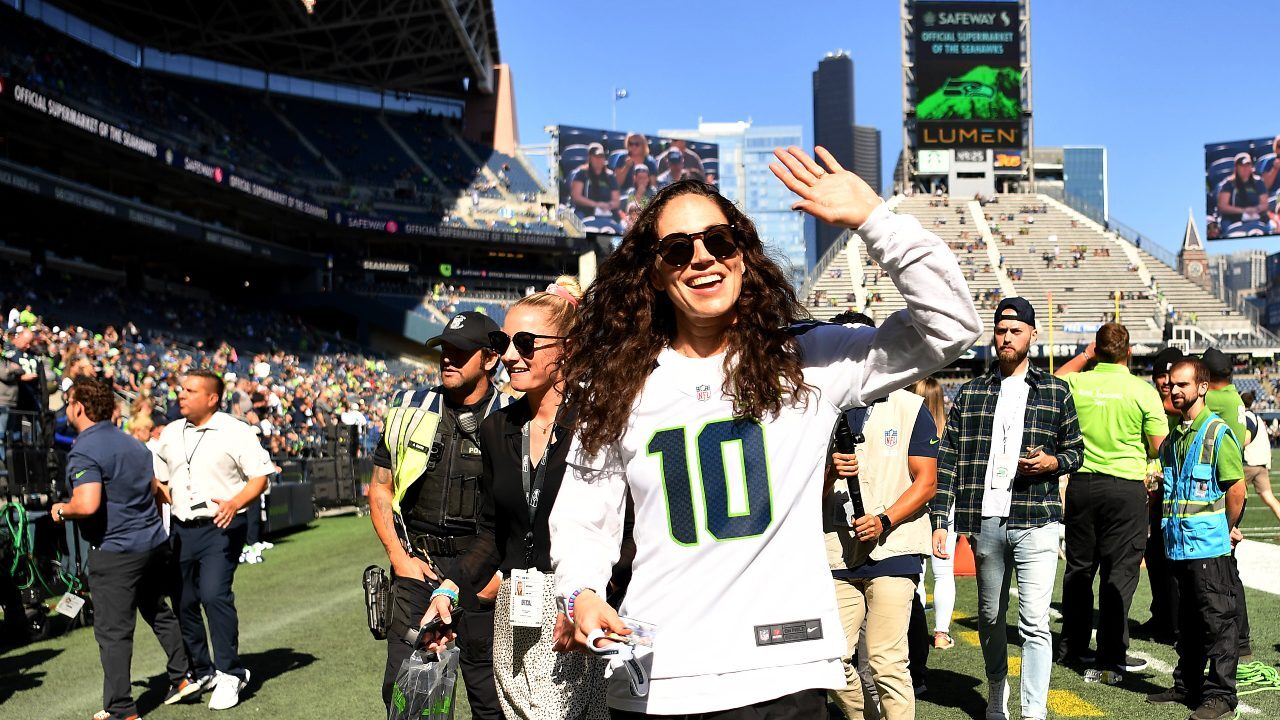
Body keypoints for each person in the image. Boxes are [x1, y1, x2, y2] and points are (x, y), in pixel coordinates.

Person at [551, 146, 982, 718]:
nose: (701, 258)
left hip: (782, 672)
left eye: (719, 241)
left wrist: (876, 221)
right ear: (654, 273)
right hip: (659, 675)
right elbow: (584, 516)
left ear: (743, 255)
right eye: (678, 249)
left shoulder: (808, 361)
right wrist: (581, 591)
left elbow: (952, 326)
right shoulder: (616, 387)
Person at [422, 279, 612, 719]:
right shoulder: (496, 429)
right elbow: (490, 532)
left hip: (583, 611)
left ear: (569, 346)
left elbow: (622, 530)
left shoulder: (602, 421)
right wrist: (450, 589)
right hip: (514, 616)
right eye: (503, 342)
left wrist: (584, 597)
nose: (509, 355)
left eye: (525, 343)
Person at [932, 297, 1084, 720]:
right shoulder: (972, 392)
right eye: (1000, 330)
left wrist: (1053, 462)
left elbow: (1076, 451)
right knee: (989, 616)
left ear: (1032, 336)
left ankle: (1034, 711)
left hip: (1036, 518)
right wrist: (941, 519)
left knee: (1034, 620)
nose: (1006, 338)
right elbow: (949, 458)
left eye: (1015, 330)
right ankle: (998, 685)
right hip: (986, 519)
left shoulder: (1055, 390)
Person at [368, 311, 512, 718]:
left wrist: (498, 578)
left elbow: (528, 509)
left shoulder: (513, 416)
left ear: (489, 359)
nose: (448, 359)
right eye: (444, 350)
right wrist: (399, 558)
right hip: (419, 567)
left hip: (484, 571)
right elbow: (380, 485)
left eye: (460, 352)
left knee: (492, 699)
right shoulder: (408, 406)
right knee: (407, 692)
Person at [51, 378, 198, 720]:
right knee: (158, 611)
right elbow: (155, 488)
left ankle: (121, 708)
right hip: (151, 544)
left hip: (117, 551)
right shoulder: (132, 443)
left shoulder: (86, 448)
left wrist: (62, 509)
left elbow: (87, 504)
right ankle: (182, 677)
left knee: (113, 632)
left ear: (79, 408)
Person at [824, 311, 940, 720]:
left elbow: (926, 482)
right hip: (836, 551)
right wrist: (827, 473)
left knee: (886, 662)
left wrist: (885, 520)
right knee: (831, 661)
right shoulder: (820, 408)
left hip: (894, 547)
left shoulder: (910, 406)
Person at [152, 369, 275, 710]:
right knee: (183, 600)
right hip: (180, 528)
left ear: (212, 398)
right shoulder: (171, 432)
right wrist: (159, 490)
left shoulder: (234, 430)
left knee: (213, 594)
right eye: (181, 389)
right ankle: (201, 668)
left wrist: (235, 502)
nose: (181, 395)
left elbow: (260, 477)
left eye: (190, 390)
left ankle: (230, 672)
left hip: (222, 525)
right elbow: (159, 478)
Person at [1053, 323, 1166, 681]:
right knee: (1120, 572)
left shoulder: (1079, 383)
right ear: (1128, 352)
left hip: (1083, 484)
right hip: (1126, 487)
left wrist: (1084, 357)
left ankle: (1072, 646)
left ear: (1097, 350)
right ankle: (1111, 653)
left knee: (1079, 569)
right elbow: (1160, 444)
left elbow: (1054, 378)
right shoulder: (1142, 391)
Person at [1145, 358, 1245, 720]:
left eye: (1182, 385)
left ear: (1202, 387)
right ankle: (1187, 684)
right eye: (1171, 384)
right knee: (1185, 621)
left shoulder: (1217, 432)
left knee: (1218, 622)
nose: (1173, 390)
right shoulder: (1172, 440)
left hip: (1208, 547)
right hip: (1177, 547)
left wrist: (1224, 529)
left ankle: (1221, 695)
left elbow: (1236, 490)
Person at [1199, 347, 1253, 663]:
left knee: (1216, 572)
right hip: (1235, 487)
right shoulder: (1234, 398)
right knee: (1228, 567)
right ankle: (1240, 639)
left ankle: (1233, 638)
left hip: (1216, 491)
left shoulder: (1214, 402)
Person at [1139, 346, 1184, 643]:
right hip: (1152, 493)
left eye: (1171, 379)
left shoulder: (1183, 405)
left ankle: (1177, 623)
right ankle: (1161, 617)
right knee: (1154, 558)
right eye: (1161, 379)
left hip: (1178, 495)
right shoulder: (1148, 402)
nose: (1166, 384)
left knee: (1175, 562)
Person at [910, 376, 956, 650]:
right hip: (945, 506)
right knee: (943, 572)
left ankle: (913, 629)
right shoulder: (949, 435)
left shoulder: (908, 432)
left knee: (916, 572)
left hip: (915, 504)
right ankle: (941, 632)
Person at [1241, 391, 1280, 523]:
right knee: (1268, 497)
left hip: (1249, 463)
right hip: (1261, 463)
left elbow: (1244, 441)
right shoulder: (1256, 417)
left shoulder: (1246, 417)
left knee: (1229, 494)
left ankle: (1228, 528)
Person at [570, 143, 621, 227]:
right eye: (595, 156)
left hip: (606, 213)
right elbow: (576, 197)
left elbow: (616, 201)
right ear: (590, 158)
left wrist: (608, 205)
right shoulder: (581, 173)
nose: (598, 159)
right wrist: (596, 204)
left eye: (601, 156)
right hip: (584, 212)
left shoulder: (610, 176)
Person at [1215, 153, 1268, 229]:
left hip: (1256, 216)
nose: (1245, 168)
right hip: (1232, 219)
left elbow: (1264, 204)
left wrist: (1255, 209)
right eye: (1242, 166)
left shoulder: (1258, 182)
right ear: (1236, 167)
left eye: (1248, 165)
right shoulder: (1228, 184)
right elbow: (1222, 206)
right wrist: (1243, 210)